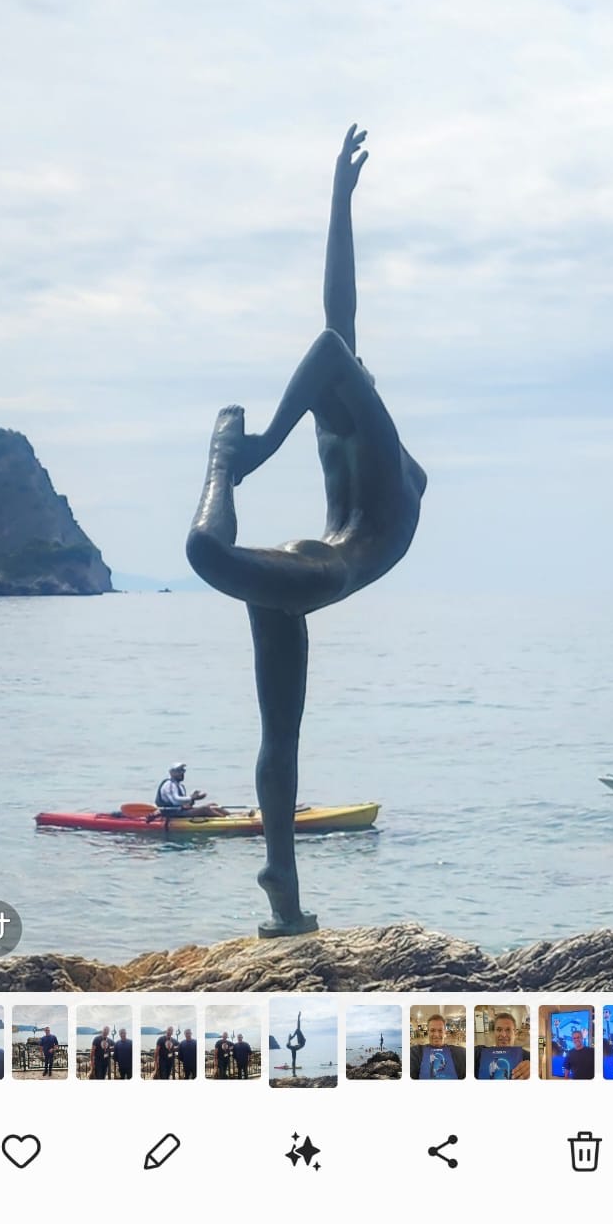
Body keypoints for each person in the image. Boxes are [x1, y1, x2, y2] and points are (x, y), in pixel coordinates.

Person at [186, 126, 427, 934]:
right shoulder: (368, 443)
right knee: (211, 561)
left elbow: (336, 326)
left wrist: (339, 198)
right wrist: (256, 450)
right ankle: (226, 459)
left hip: (316, 568)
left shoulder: (371, 436)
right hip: (320, 569)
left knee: (278, 733)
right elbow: (333, 330)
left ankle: (283, 888)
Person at [150, 763, 227, 821]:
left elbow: (184, 803)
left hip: (179, 811)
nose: (182, 773)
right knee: (205, 809)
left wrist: (193, 799)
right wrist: (192, 797)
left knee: (213, 805)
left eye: (183, 770)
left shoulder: (180, 785)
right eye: (179, 771)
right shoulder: (169, 785)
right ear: (171, 772)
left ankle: (229, 816)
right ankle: (224, 821)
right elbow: (175, 801)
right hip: (171, 813)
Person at [474, 1013, 530, 1080]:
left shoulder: (526, 1057)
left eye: (508, 1030)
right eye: (499, 1030)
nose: (503, 1035)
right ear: (494, 1032)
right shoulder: (480, 1053)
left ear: (515, 1033)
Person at [410, 1014, 466, 1080]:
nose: (436, 1035)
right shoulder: (416, 1052)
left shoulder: (459, 1052)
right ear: (428, 1032)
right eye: (432, 1030)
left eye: (440, 1030)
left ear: (444, 1032)